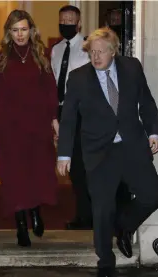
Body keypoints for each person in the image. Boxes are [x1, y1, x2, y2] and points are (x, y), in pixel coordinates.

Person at [57, 27, 158, 277]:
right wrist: (64, 155)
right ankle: (105, 261)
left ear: (113, 51)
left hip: (132, 146)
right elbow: (69, 119)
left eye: (101, 52)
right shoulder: (78, 78)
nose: (96, 57)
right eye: (92, 52)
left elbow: (146, 102)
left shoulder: (132, 68)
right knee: (102, 208)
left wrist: (153, 132)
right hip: (99, 152)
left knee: (152, 195)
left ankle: (124, 227)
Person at [0, 10, 59, 247]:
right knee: (14, 175)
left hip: (37, 124)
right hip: (10, 126)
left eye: (24, 29)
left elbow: (50, 88)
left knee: (37, 170)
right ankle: (20, 227)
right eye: (15, 30)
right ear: (9, 32)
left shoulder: (41, 55)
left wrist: (54, 120)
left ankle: (35, 211)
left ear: (31, 30)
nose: (19, 35)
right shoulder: (1, 56)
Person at [50, 5, 92, 230]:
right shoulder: (56, 50)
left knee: (84, 166)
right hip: (63, 113)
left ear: (79, 24)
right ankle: (84, 215)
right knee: (74, 168)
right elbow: (54, 81)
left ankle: (90, 216)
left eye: (70, 20)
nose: (65, 24)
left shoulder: (88, 48)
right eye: (62, 20)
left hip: (84, 114)